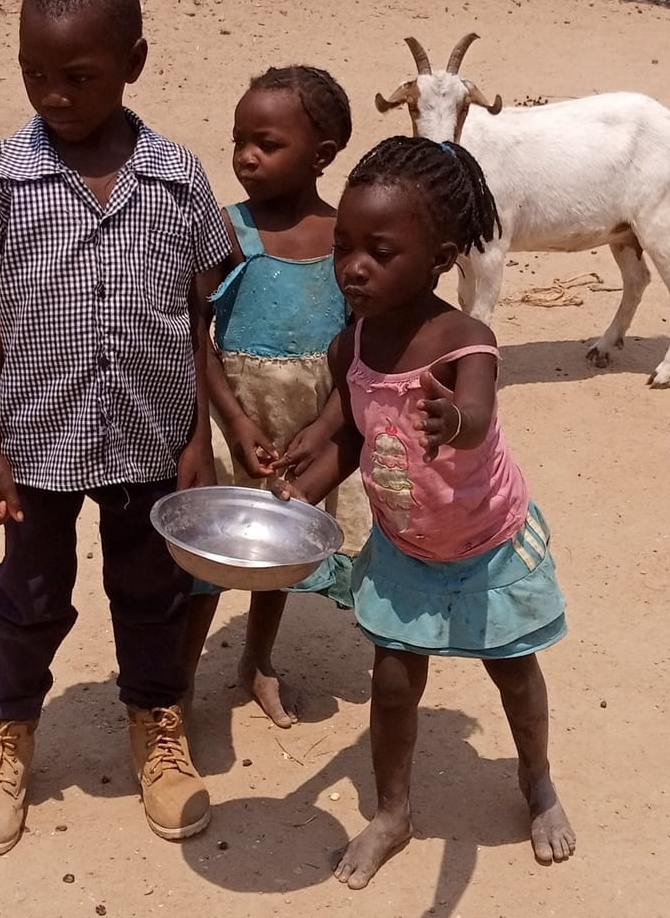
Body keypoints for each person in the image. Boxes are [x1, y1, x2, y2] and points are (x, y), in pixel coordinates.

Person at [0, 0, 227, 858]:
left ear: (135, 62)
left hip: (149, 434)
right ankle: (9, 732)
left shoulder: (177, 177)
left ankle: (156, 723)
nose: (53, 95)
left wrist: (198, 434)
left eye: (79, 77)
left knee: (151, 591)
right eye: (34, 74)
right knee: (27, 594)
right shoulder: (1, 176)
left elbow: (197, 311)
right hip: (37, 441)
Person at [271, 136, 577, 890]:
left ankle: (536, 781)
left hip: (484, 544)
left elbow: (473, 412)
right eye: (344, 246)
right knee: (395, 682)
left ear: (441, 257)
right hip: (408, 545)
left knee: (513, 671)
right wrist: (293, 494)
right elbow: (349, 428)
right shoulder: (356, 338)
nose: (354, 266)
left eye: (380, 251)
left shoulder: (464, 341)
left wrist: (453, 424)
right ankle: (394, 813)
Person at [181, 65, 372, 729]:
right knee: (208, 561)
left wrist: (325, 427)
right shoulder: (228, 231)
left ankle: (256, 660)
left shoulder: (346, 235)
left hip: (304, 429)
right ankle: (173, 690)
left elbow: (358, 339)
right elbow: (193, 332)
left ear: (321, 156)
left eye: (266, 143)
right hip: (240, 419)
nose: (245, 157)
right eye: (239, 140)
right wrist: (230, 421)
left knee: (278, 551)